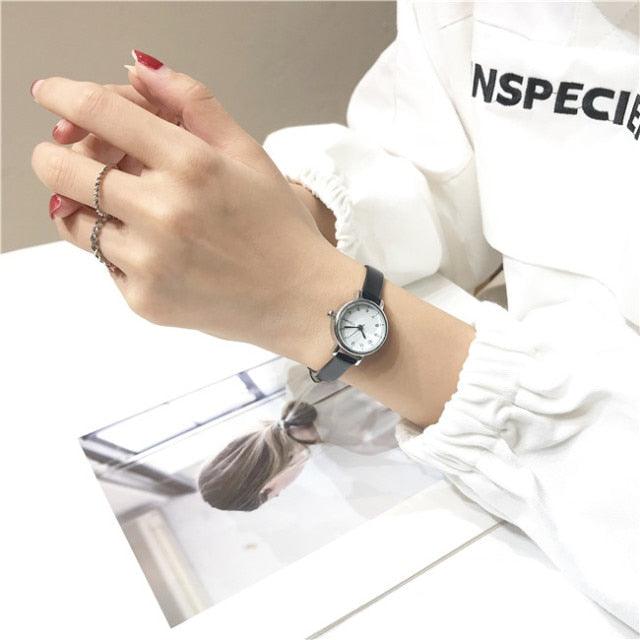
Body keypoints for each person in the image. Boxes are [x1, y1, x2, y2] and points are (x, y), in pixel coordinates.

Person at [30, 1, 638, 631]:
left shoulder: (341, 438)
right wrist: (279, 214)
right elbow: (444, 167)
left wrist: (305, 294)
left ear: (268, 488)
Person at [198, 361, 401, 511]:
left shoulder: (362, 442)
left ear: (267, 487)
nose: (279, 493)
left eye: (274, 495)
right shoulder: (294, 375)